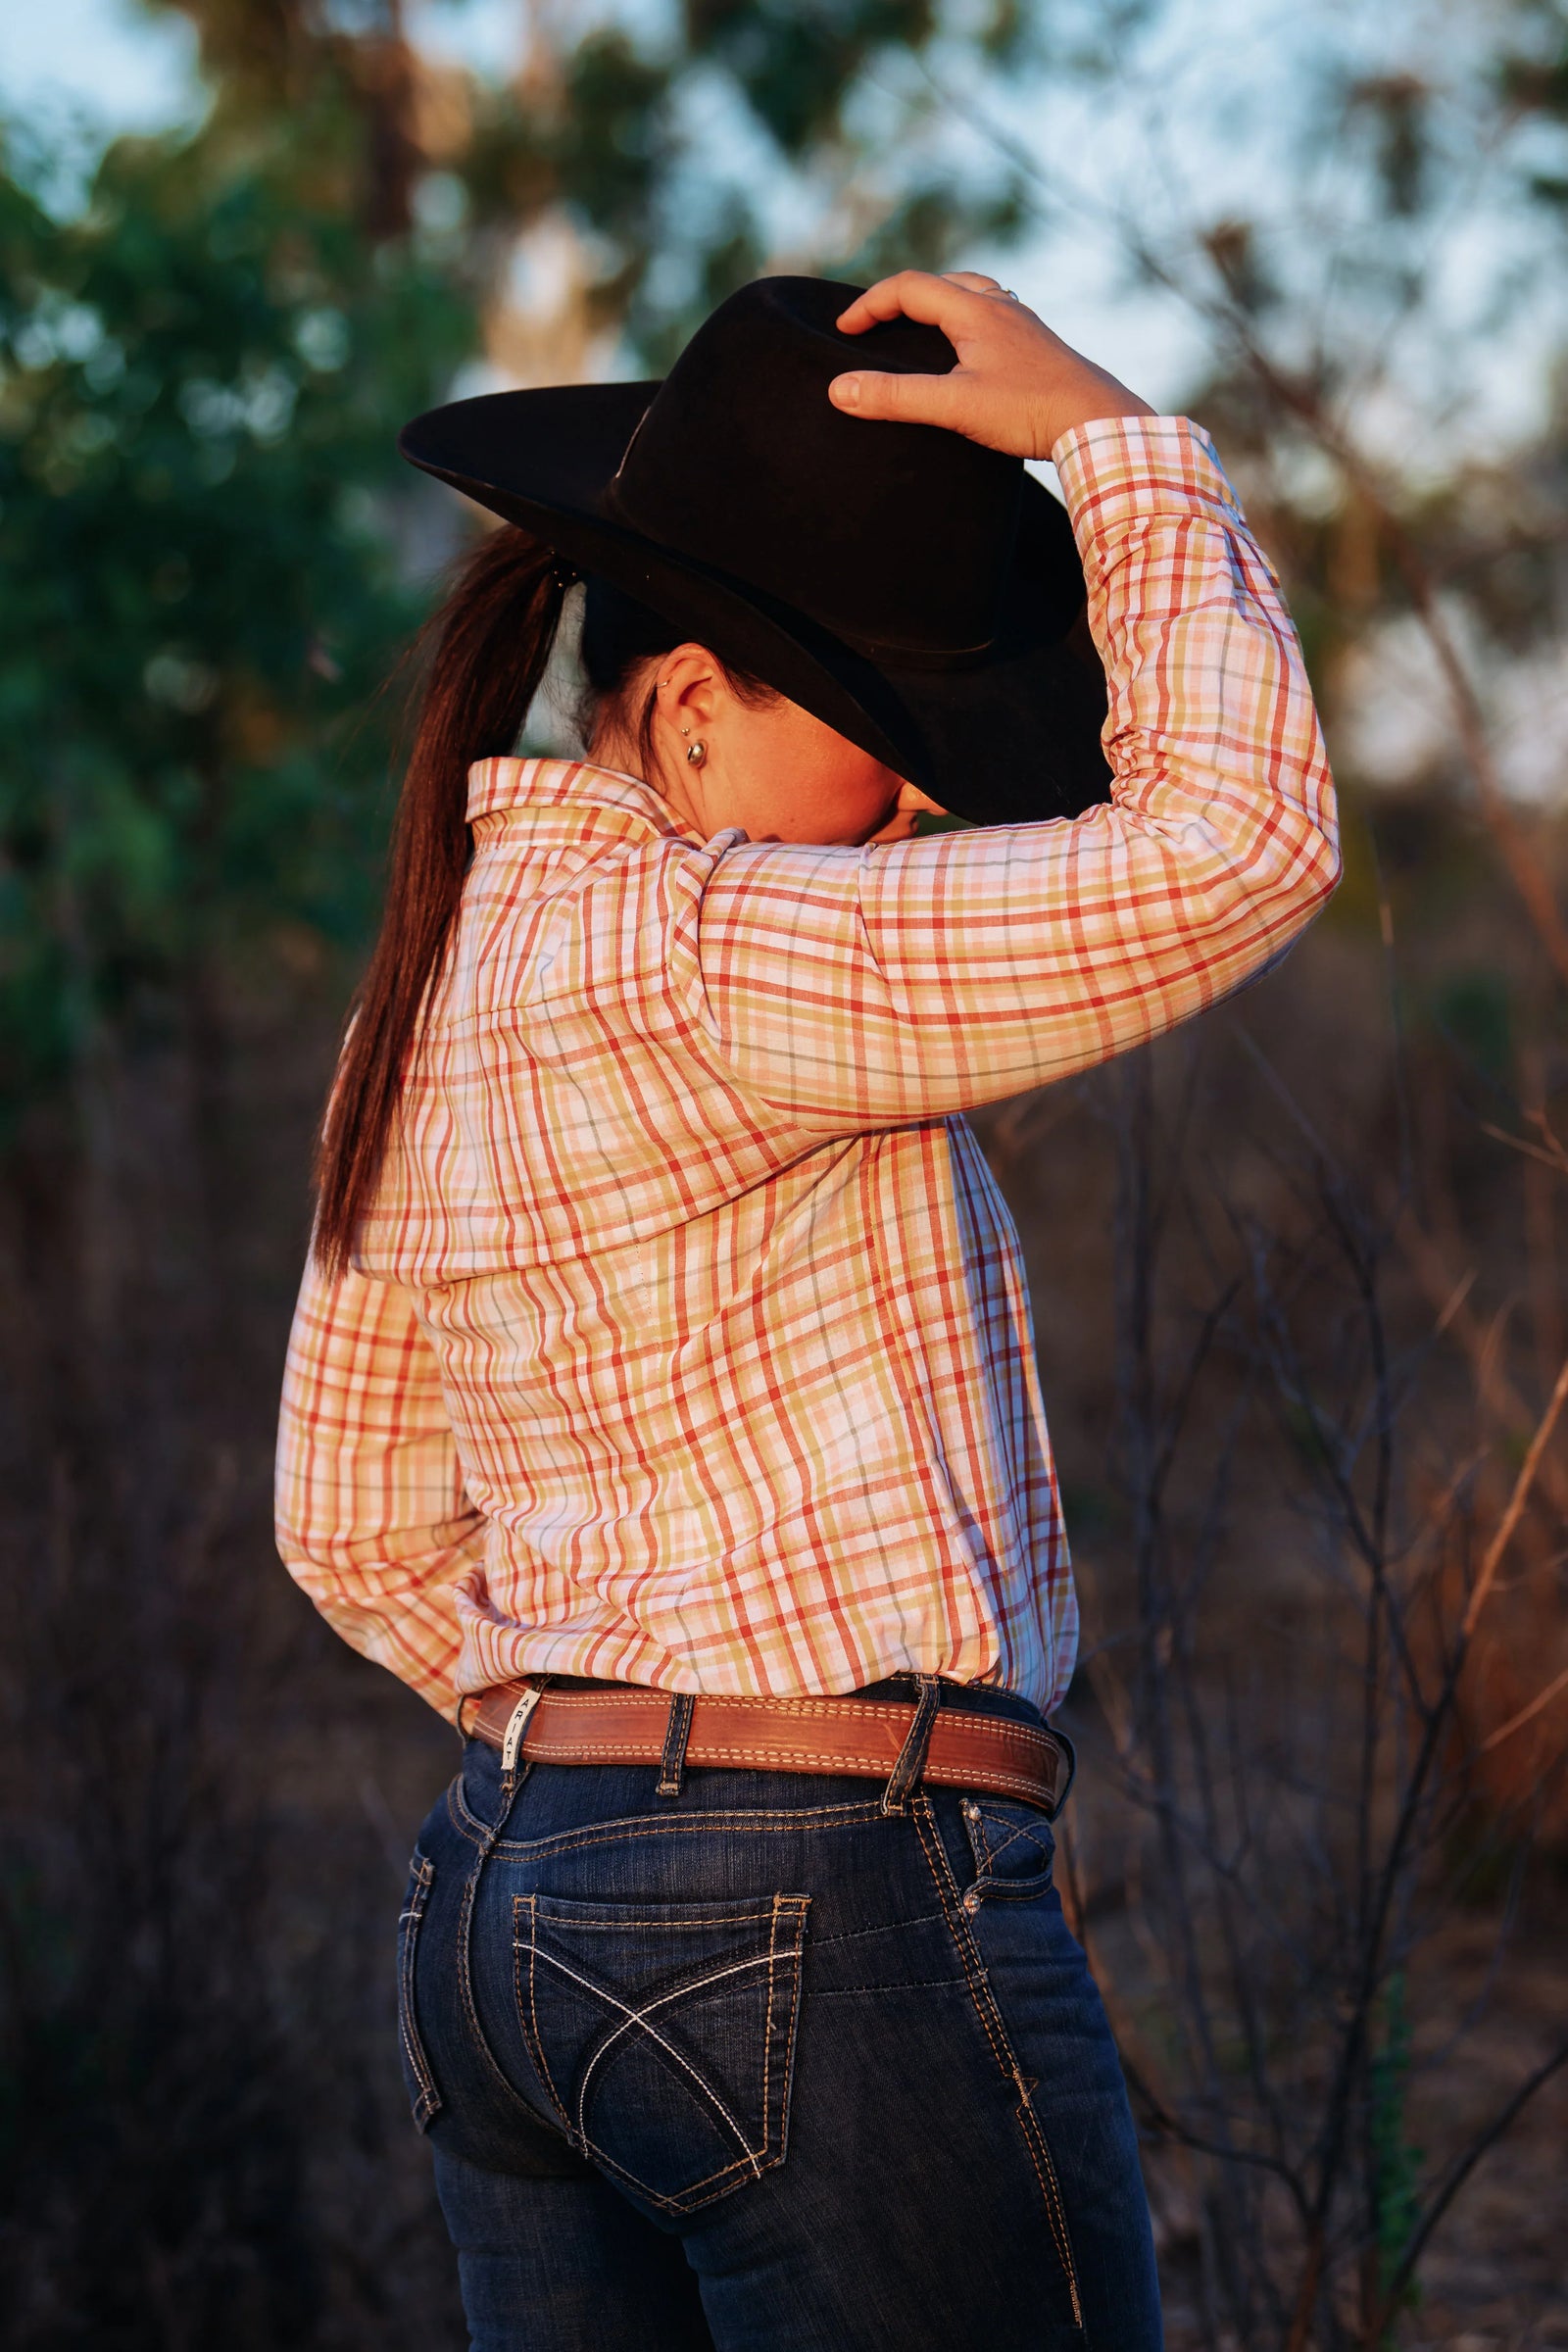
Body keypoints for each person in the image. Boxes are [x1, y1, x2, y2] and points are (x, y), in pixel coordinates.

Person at [275, 268, 1339, 2351]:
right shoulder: (721, 957)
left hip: (499, 1903)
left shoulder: (425, 988)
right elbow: (1242, 839)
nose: (919, 806)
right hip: (815, 1907)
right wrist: (1116, 440)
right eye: (884, 740)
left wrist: (608, 1762)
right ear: (689, 708)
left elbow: (350, 1530)